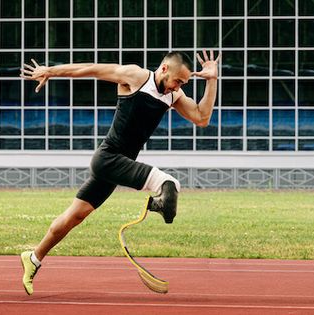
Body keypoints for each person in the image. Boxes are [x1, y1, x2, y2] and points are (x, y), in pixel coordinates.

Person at [19, 50, 221, 295]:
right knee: (168, 184)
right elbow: (91, 69)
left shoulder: (173, 95)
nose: (178, 87)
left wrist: (212, 80)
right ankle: (156, 204)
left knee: (75, 216)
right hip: (108, 158)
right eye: (178, 81)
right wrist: (50, 71)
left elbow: (202, 117)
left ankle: (34, 257)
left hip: (118, 165)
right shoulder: (136, 76)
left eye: (184, 84)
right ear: (165, 68)